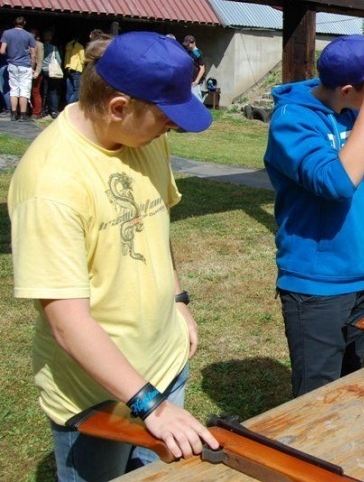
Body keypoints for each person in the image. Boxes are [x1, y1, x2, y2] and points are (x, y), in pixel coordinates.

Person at [9, 31, 219, 481]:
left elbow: (155, 223)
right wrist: (150, 406)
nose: (173, 126)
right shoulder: (50, 185)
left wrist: (178, 301)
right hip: (99, 398)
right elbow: (67, 322)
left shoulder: (147, 138)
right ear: (118, 107)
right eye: (166, 117)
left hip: (166, 365)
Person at [264, 34, 364, 396]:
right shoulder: (292, 122)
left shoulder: (354, 112)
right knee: (317, 397)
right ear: (347, 90)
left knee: (350, 382)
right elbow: (339, 183)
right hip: (318, 285)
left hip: (363, 277)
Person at [0, 16, 37, 121]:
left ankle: (13, 114)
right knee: (24, 90)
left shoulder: (7, 33)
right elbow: (33, 54)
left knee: (14, 90)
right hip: (25, 65)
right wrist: (32, 67)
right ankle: (23, 114)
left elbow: (2, 50)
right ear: (24, 23)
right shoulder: (29, 35)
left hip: (12, 64)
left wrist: (10, 55)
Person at [41, 30, 66, 118]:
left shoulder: (40, 46)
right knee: (53, 91)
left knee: (43, 91)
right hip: (51, 71)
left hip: (42, 71)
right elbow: (59, 60)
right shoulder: (53, 48)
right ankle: (53, 111)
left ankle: (42, 109)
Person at [64, 34, 86, 105]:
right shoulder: (79, 46)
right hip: (76, 69)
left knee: (69, 90)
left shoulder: (68, 45)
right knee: (77, 90)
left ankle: (67, 106)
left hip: (68, 69)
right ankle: (70, 105)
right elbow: (83, 60)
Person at [182, 35, 205, 100]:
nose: (187, 46)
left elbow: (202, 68)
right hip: (188, 80)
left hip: (194, 82)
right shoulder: (187, 51)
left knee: (197, 99)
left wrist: (196, 81)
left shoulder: (197, 53)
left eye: (188, 44)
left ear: (193, 43)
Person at [30, 28, 45, 117]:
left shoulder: (39, 45)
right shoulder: (28, 43)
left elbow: (40, 60)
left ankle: (37, 112)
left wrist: (37, 72)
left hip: (36, 71)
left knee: (35, 91)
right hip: (28, 70)